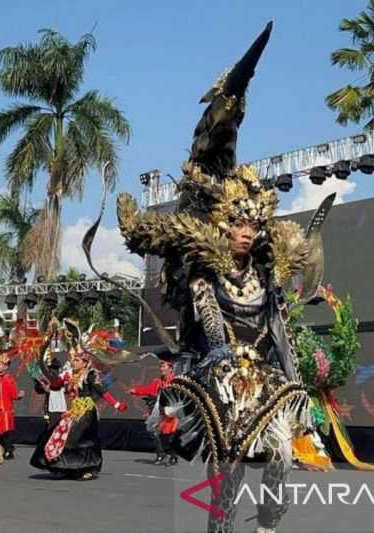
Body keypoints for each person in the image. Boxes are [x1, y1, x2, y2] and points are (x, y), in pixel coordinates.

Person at [116, 22, 324, 533]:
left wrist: (296, 382)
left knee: (282, 457)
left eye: (254, 225)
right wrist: (228, 363)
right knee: (226, 467)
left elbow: (278, 329)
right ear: (224, 227)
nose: (248, 234)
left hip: (265, 378)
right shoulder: (207, 276)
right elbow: (211, 326)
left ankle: (269, 523)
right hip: (222, 374)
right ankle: (221, 526)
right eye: (239, 225)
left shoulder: (267, 275)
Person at [30, 349, 128, 481]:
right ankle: (66, 467)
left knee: (81, 438)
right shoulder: (69, 375)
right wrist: (54, 381)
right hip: (73, 410)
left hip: (86, 410)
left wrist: (116, 404)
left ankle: (88, 469)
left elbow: (102, 392)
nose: (73, 362)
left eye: (77, 360)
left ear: (85, 362)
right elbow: (55, 387)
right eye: (73, 360)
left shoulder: (90, 375)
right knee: (59, 434)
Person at [129, 358, 177, 465]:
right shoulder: (158, 381)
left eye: (163, 366)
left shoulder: (176, 381)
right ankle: (161, 454)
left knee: (169, 435)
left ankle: (173, 456)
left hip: (172, 411)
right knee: (152, 430)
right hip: (161, 410)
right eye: (160, 367)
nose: (161, 369)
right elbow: (149, 389)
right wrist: (135, 391)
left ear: (170, 368)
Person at [0, 354, 24, 460]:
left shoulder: (9, 379)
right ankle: (8, 448)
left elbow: (14, 395)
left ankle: (8, 450)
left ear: (6, 367)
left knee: (3, 432)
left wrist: (19, 395)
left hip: (5, 410)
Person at [33, 358, 67, 430]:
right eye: (53, 368)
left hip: (61, 406)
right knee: (51, 426)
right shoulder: (47, 379)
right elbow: (39, 390)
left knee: (59, 426)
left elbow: (66, 391)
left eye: (56, 368)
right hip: (50, 406)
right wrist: (42, 386)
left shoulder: (62, 379)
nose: (54, 370)